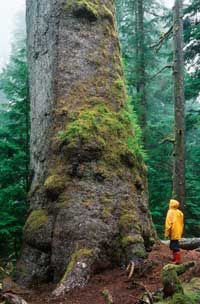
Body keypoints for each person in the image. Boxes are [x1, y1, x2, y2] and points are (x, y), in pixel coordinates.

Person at [165, 199, 184, 264]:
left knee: (175, 246)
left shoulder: (170, 212)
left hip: (173, 231)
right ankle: (174, 258)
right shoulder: (180, 212)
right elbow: (182, 223)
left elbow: (168, 223)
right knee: (174, 244)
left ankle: (177, 260)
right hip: (178, 231)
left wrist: (167, 233)